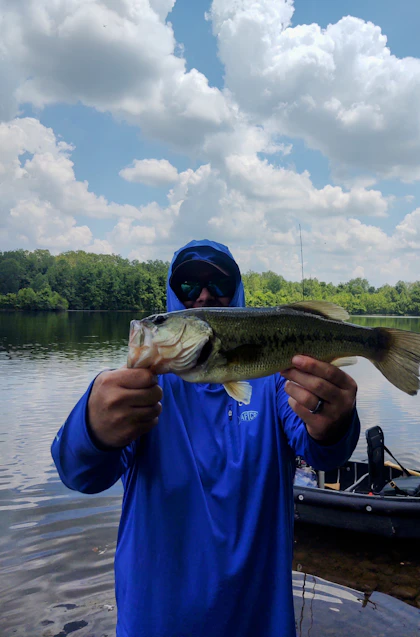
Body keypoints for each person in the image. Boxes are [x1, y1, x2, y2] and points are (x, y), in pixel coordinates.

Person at [51, 239, 360, 637]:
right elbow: (80, 474)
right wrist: (92, 429)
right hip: (155, 624)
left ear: (238, 291)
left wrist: (334, 421)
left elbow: (324, 454)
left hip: (261, 623)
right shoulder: (136, 395)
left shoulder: (275, 379)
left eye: (219, 284)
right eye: (187, 285)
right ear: (172, 297)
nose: (202, 295)